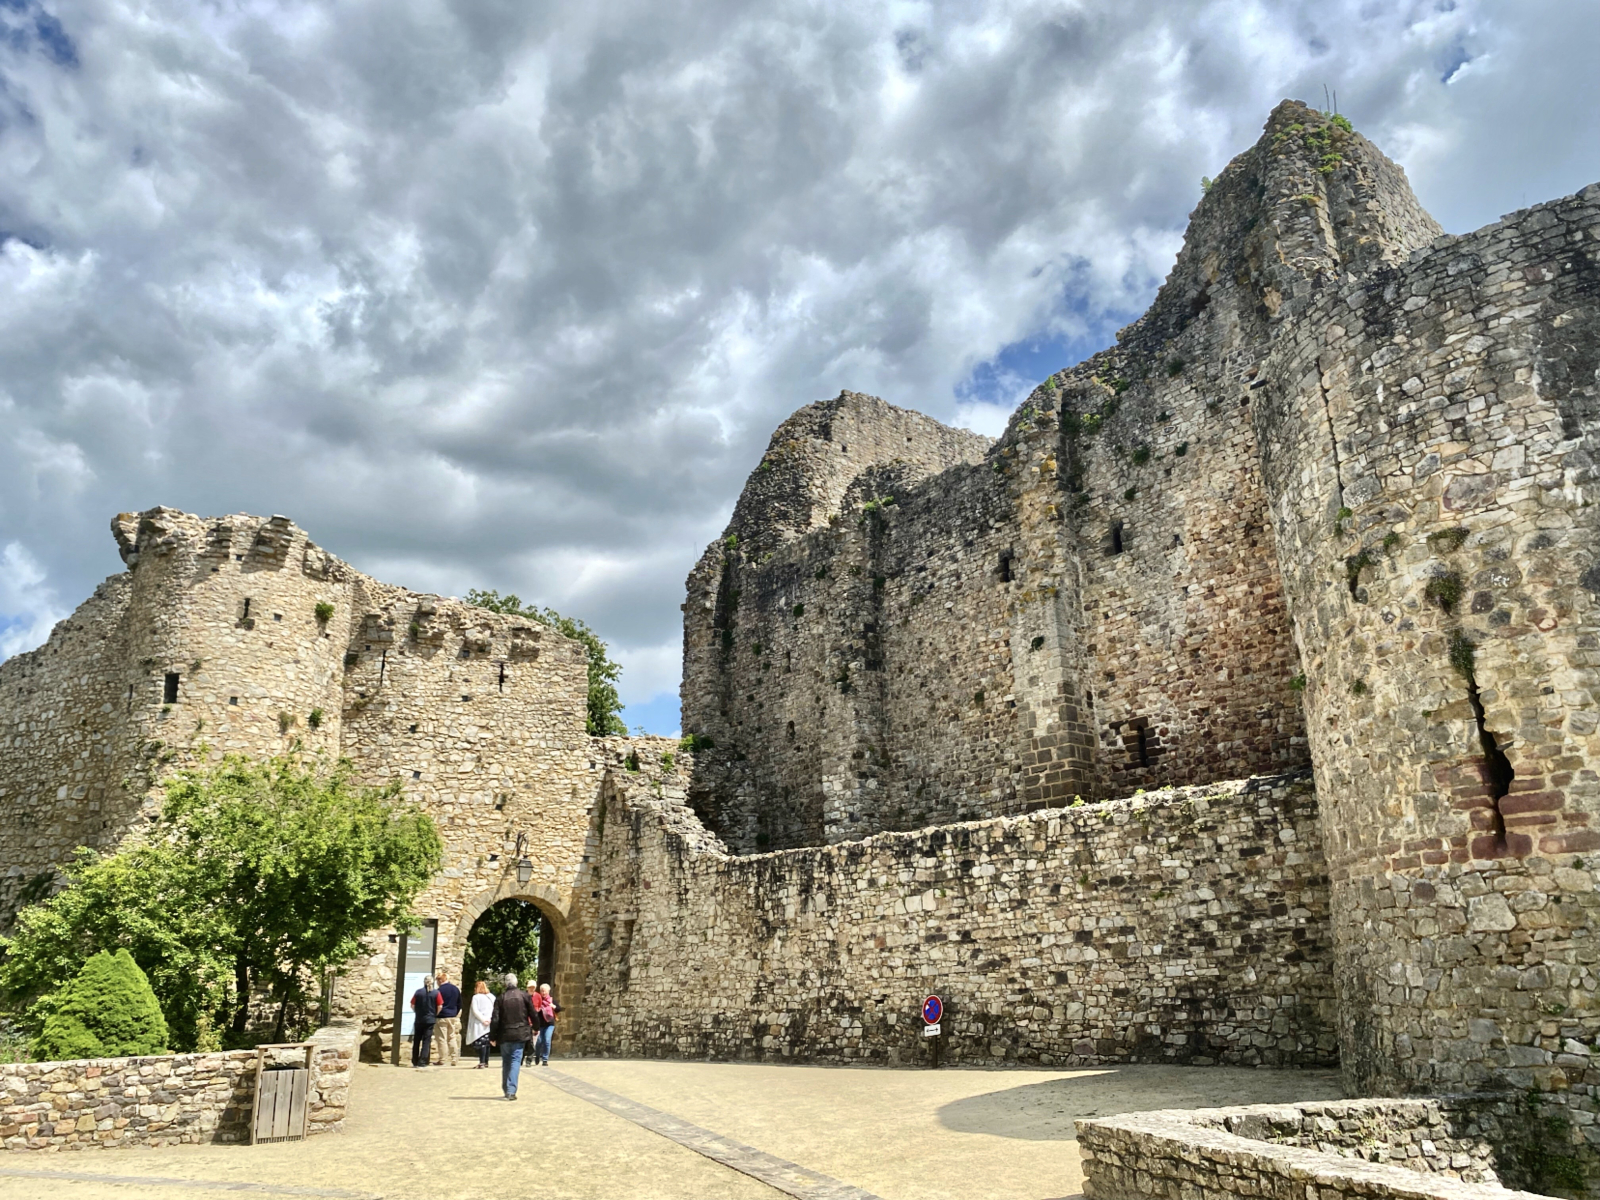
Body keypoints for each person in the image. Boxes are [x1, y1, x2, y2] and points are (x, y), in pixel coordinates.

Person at [489, 971, 536, 1099]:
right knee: (515, 1060)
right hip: (520, 1033)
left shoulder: (501, 998)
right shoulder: (524, 996)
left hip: (505, 1034)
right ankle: (511, 1090)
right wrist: (536, 1027)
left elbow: (495, 1019)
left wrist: (492, 1036)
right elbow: (533, 1013)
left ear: (505, 984)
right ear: (516, 983)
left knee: (506, 1061)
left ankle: (506, 1088)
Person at [409, 974, 442, 1068]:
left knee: (416, 1040)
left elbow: (412, 1005)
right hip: (430, 1020)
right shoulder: (436, 993)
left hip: (419, 1019)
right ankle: (422, 1061)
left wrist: (417, 1012)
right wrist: (435, 1014)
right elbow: (440, 1006)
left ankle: (415, 1060)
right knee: (426, 1041)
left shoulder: (418, 992)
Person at [432, 969, 462, 1066]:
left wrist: (435, 1014)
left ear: (440, 980)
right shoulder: (455, 989)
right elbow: (459, 1003)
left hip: (442, 1016)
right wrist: (455, 1013)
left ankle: (443, 1059)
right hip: (452, 1016)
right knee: (452, 1037)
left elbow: (436, 1004)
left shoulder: (439, 991)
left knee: (442, 1038)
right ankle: (454, 1058)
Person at [465, 980, 495, 1068]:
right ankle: (486, 1061)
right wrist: (490, 1019)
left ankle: (482, 1062)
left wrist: (483, 1019)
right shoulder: (491, 997)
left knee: (481, 1043)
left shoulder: (476, 997)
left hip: (480, 1024)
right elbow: (495, 1009)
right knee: (487, 1043)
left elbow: (475, 1010)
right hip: (490, 1022)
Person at [531, 982, 562, 1066]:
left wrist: (554, 1007)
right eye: (542, 991)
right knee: (539, 1041)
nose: (543, 993)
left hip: (549, 1024)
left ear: (548, 991)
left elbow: (559, 1008)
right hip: (540, 1024)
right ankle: (537, 1055)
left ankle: (545, 1059)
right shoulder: (539, 1001)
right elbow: (534, 1011)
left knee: (547, 1040)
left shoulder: (551, 1000)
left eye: (545, 991)